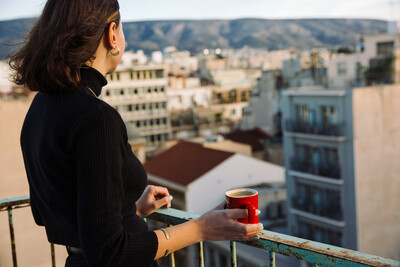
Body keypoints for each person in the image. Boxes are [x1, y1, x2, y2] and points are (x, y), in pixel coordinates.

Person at [9, 0, 263, 266]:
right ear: (112, 35)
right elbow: (110, 252)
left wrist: (129, 208)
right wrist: (201, 228)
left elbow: (51, 211)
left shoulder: (41, 106)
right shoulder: (95, 118)